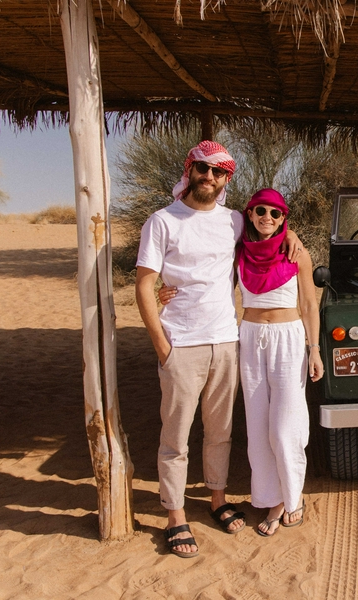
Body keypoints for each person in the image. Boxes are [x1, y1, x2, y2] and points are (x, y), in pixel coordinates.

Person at [135, 141, 302, 558]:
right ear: (189, 170)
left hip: (227, 340)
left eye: (218, 171)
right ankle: (175, 515)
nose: (209, 177)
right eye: (202, 168)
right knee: (175, 437)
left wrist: (294, 235)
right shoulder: (162, 221)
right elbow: (142, 285)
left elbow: (272, 226)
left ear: (227, 179)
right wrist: (163, 347)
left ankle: (217, 499)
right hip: (180, 344)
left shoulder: (233, 221)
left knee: (220, 432)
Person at [160, 188, 323, 537]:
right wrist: (166, 290)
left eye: (276, 214)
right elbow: (210, 286)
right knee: (258, 427)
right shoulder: (239, 253)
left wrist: (315, 349)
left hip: (288, 338)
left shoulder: (296, 253)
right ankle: (269, 497)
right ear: (249, 214)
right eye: (261, 211)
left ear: (284, 218)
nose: (268, 218)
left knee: (285, 424)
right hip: (249, 338)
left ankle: (290, 499)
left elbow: (309, 305)